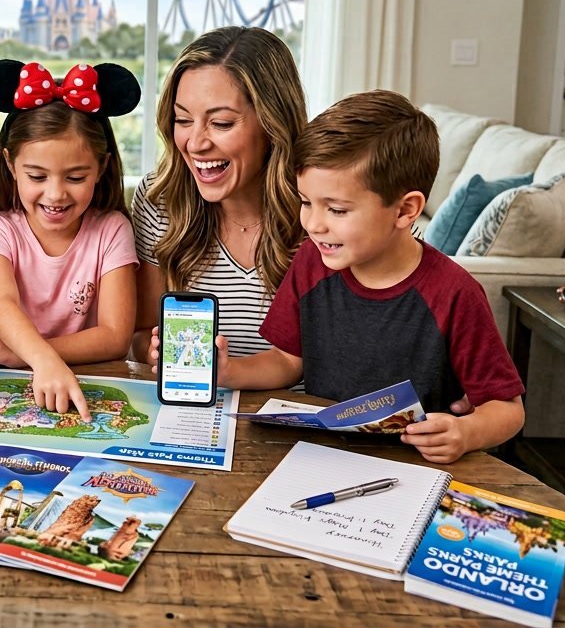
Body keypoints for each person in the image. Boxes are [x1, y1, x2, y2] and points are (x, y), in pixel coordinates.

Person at [207, 90, 526, 464]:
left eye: (337, 210)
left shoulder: (454, 293)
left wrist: (466, 432)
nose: (313, 224)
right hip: (321, 458)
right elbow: (287, 361)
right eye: (306, 202)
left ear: (406, 210)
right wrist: (229, 372)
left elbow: (507, 408)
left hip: (414, 468)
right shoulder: (312, 262)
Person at [0, 59, 142, 419]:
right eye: (37, 176)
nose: (56, 194)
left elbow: (115, 336)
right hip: (9, 388)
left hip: (94, 385)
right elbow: (2, 305)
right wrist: (42, 361)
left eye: (75, 178)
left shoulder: (112, 229)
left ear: (102, 167)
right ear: (10, 165)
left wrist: (25, 354)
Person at [132, 26, 308, 365]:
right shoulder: (160, 199)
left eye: (222, 123)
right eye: (183, 119)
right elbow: (140, 335)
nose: (196, 143)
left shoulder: (325, 205)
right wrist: (154, 352)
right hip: (194, 411)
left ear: (273, 124)